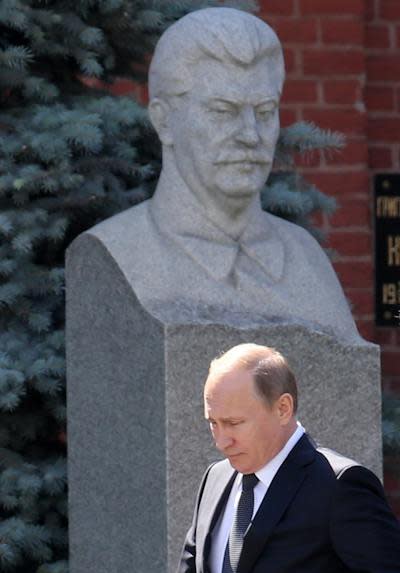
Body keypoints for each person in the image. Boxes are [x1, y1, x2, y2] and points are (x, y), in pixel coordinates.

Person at [90, 7, 362, 344]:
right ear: (164, 121)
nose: (250, 135)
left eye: (264, 112)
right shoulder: (115, 254)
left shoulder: (306, 258)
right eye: (222, 111)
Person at [178, 343, 400, 572]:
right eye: (213, 423)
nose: (221, 441)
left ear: (283, 408)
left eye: (234, 423)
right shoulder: (215, 478)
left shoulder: (339, 486)